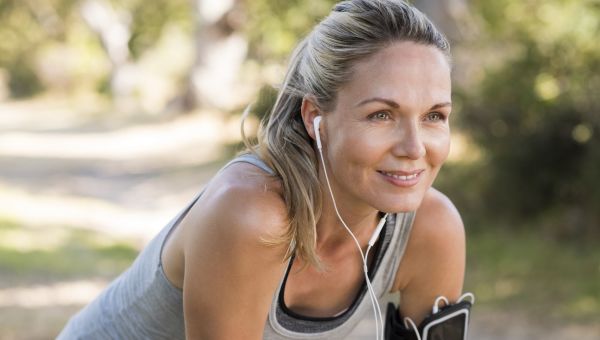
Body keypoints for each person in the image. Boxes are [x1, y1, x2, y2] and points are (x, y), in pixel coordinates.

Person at [58, 0, 473, 339]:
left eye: (435, 116)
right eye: (382, 115)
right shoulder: (252, 214)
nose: (415, 147)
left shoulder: (432, 230)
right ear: (315, 117)